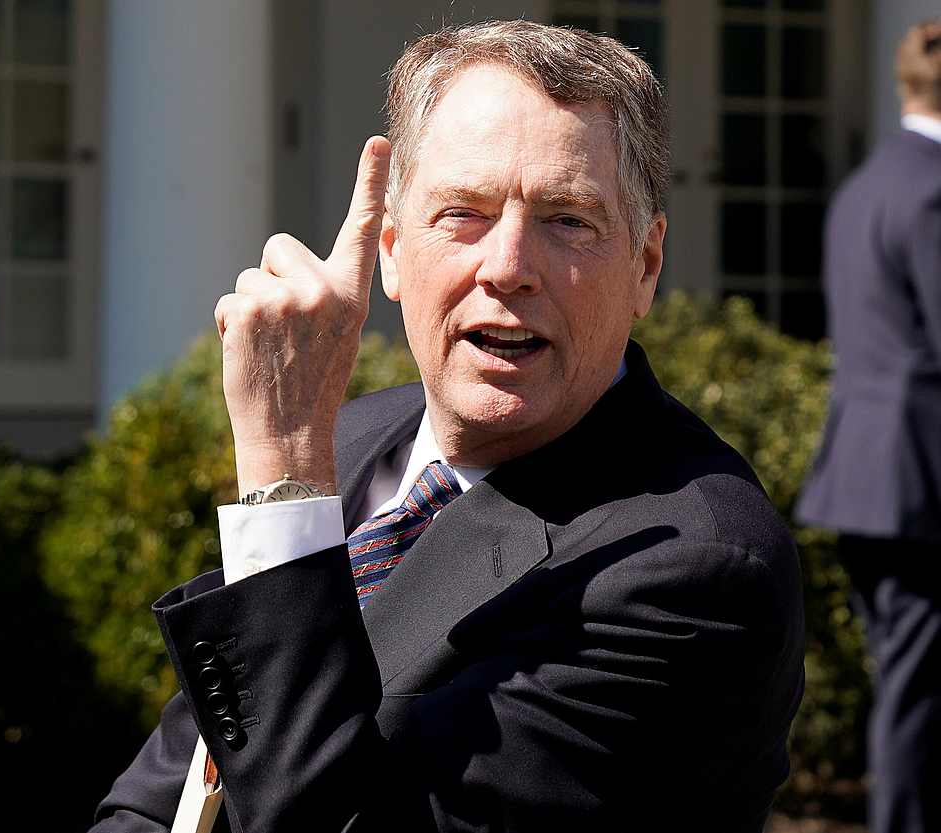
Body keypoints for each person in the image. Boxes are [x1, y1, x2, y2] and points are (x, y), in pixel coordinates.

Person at [94, 20, 804, 833]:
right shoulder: (352, 441)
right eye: (463, 212)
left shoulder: (696, 564)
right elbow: (167, 795)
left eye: (567, 219)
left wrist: (285, 475)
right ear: (392, 252)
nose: (507, 266)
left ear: (644, 267)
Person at [795, 19, 941, 833]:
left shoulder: (866, 185)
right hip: (921, 475)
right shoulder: (933, 188)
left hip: (862, 468)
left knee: (906, 671)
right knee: (921, 683)